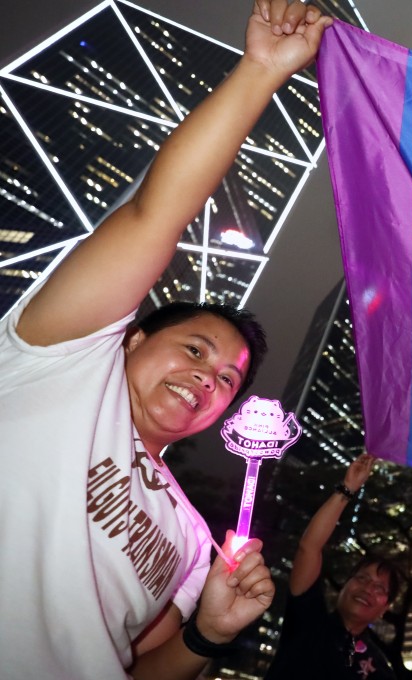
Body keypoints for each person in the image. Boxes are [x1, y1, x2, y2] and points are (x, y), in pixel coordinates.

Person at [0, 2, 332, 678]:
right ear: (132, 337)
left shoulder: (192, 540)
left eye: (229, 380)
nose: (210, 378)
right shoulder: (59, 359)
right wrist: (261, 73)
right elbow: (157, 211)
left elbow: (139, 670)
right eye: (195, 349)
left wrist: (208, 634)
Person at [266, 453, 412, 680]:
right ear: (344, 586)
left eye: (380, 588)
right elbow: (309, 547)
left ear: (385, 609)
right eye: (362, 578)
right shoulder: (309, 620)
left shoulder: (379, 668)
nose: (367, 589)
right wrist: (347, 489)